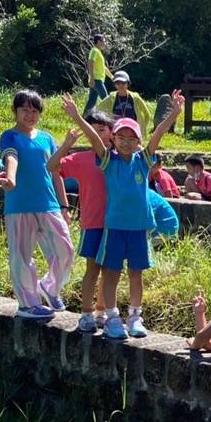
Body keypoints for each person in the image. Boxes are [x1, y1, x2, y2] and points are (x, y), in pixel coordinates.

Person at [61, 90, 183, 340]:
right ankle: (112, 317)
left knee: (136, 274)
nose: (127, 142)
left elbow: (158, 133)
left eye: (132, 138)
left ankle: (135, 316)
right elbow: (95, 138)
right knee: (111, 274)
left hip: (138, 229)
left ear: (138, 141)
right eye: (122, 137)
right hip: (114, 228)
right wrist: (76, 117)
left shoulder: (143, 160)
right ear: (114, 139)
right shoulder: (108, 161)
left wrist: (175, 114)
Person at [0, 90, 76, 321]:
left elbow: (55, 172)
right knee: (21, 256)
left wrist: (64, 205)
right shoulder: (9, 136)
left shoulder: (47, 138)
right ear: (15, 111)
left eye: (34, 111)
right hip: (19, 204)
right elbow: (11, 158)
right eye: (25, 110)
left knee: (65, 250)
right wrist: (10, 178)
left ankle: (49, 287)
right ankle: (28, 304)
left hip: (49, 203)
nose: (30, 115)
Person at [49, 111, 111, 332]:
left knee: (110, 270)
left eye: (101, 129)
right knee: (92, 269)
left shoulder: (113, 158)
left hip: (115, 224)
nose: (95, 133)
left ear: (111, 133)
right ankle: (86, 312)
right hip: (92, 222)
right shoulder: (81, 158)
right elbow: (52, 166)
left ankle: (102, 310)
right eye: (92, 128)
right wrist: (67, 144)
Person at [96, 70, 153, 136]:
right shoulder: (111, 98)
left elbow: (147, 114)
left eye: (123, 83)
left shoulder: (135, 97)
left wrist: (141, 128)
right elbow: (98, 110)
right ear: (115, 85)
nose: (120, 85)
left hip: (133, 131)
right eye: (118, 83)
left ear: (128, 83)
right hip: (116, 132)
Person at [85, 34, 113, 113]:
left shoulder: (99, 53)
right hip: (97, 80)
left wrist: (112, 77)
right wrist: (92, 79)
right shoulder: (94, 50)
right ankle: (111, 120)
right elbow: (90, 63)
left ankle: (85, 120)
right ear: (98, 41)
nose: (105, 43)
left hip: (98, 80)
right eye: (104, 41)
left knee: (91, 102)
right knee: (107, 101)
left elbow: (103, 67)